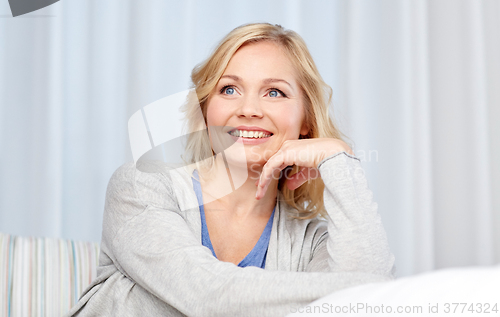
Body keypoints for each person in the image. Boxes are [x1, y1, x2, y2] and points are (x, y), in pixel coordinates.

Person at [66, 23, 395, 317]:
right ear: (206, 110)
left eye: (274, 92)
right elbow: (210, 297)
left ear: (306, 121)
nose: (249, 109)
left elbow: (368, 306)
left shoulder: (310, 241)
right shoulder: (142, 186)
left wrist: (338, 158)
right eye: (229, 89)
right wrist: (353, 295)